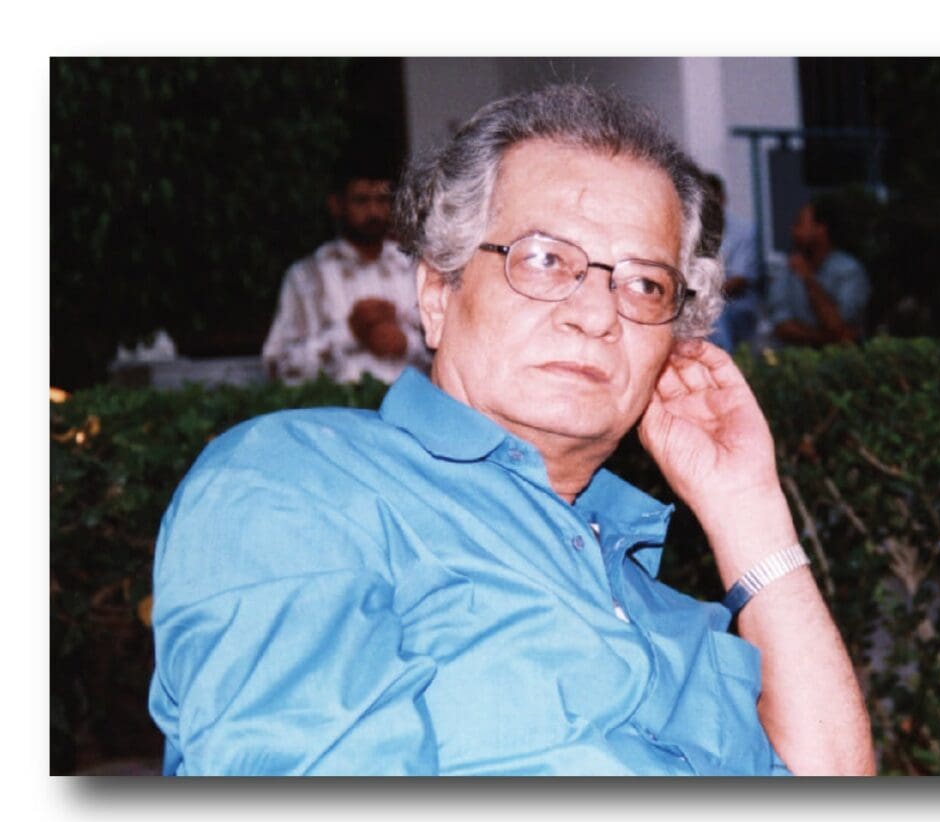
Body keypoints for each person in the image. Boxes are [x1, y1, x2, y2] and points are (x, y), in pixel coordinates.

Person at [149, 84, 874, 776]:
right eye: (545, 260)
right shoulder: (305, 483)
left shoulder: (665, 610)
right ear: (438, 292)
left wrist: (747, 508)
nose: (597, 313)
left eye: (644, 284)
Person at [261, 159, 430, 384]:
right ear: (336, 205)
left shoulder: (412, 269)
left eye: (382, 200)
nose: (374, 212)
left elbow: (447, 354)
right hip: (336, 402)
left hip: (409, 401)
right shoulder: (306, 276)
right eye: (361, 200)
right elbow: (277, 367)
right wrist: (349, 332)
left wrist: (406, 343)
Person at [766, 195, 871, 347]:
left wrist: (808, 278)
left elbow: (837, 324)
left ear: (821, 229)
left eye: (799, 224)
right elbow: (782, 327)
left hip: (843, 358)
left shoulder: (849, 270)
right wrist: (829, 339)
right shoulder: (786, 269)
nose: (793, 231)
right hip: (796, 357)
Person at [705, 173, 760, 352]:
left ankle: (724, 363)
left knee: (715, 313)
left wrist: (701, 296)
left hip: (736, 305)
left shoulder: (744, 230)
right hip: (698, 300)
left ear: (722, 199)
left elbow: (738, 281)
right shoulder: (690, 230)